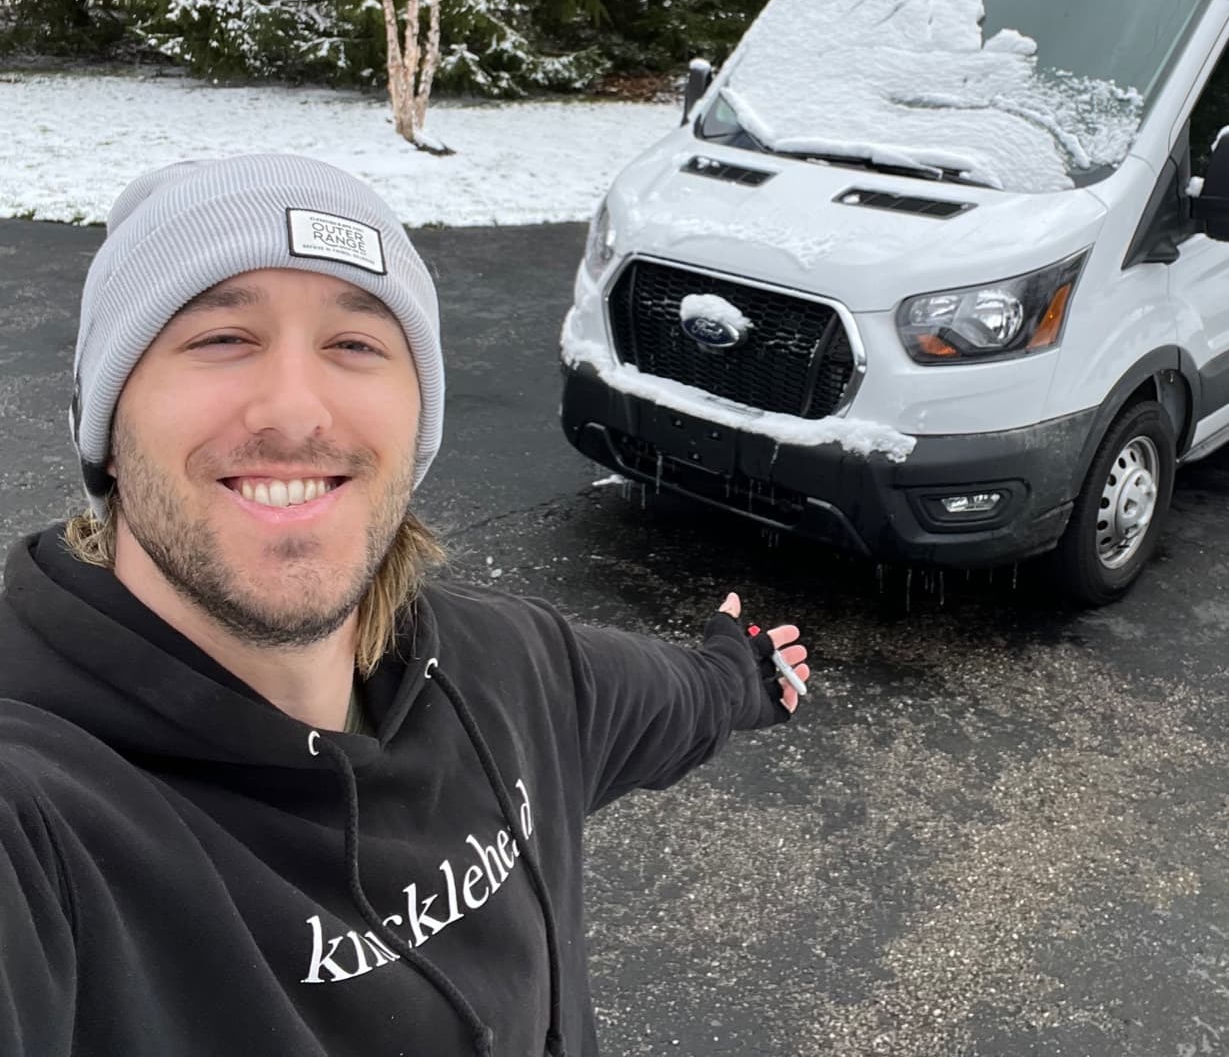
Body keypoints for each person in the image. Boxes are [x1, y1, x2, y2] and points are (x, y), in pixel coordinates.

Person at [0, 153, 809, 1057]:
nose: (296, 411)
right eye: (221, 337)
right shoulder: (39, 811)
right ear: (108, 427)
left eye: (355, 344)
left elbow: (680, 696)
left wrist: (747, 672)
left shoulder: (512, 669)